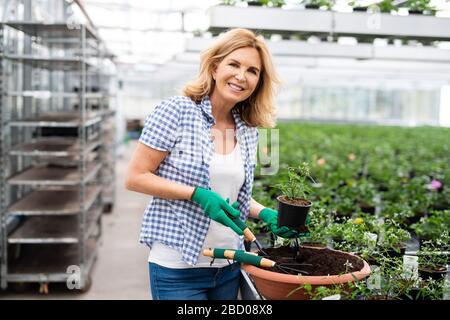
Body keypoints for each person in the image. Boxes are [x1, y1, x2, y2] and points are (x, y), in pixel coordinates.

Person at [125, 28, 302, 300]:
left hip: (228, 266)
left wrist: (265, 213)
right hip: (179, 267)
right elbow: (136, 177)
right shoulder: (176, 111)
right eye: (234, 64)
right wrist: (195, 194)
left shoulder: (247, 128)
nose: (241, 76)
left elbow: (228, 193)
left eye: (253, 71)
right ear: (215, 66)